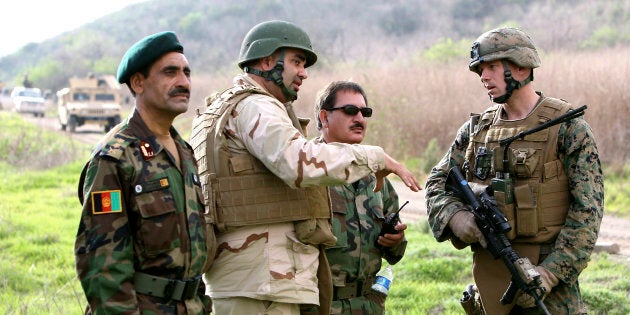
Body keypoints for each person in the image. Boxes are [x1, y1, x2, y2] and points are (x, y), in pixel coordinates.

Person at [190, 20, 420, 315]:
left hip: (257, 279)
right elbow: (298, 162)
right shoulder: (255, 106)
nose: (303, 72)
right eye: (296, 62)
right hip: (262, 283)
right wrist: (376, 157)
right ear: (266, 60)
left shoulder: (228, 107)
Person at [424, 27, 603, 314]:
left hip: (549, 288)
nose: (483, 76)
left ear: (520, 68)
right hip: (489, 278)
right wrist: (456, 218)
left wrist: (550, 273)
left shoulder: (568, 128)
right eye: (480, 69)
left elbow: (588, 212)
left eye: (492, 67)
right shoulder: (476, 130)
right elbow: (436, 183)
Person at [74, 31, 215, 314]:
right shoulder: (115, 157)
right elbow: (103, 265)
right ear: (138, 82)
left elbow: (192, 250)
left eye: (186, 72)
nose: (183, 82)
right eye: (170, 72)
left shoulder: (184, 152)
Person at [309, 81, 408, 314]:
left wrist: (396, 239)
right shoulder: (307, 172)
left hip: (368, 305)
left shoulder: (376, 175)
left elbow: (396, 253)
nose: (360, 119)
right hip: (320, 305)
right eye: (350, 111)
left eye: (365, 112)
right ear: (324, 117)